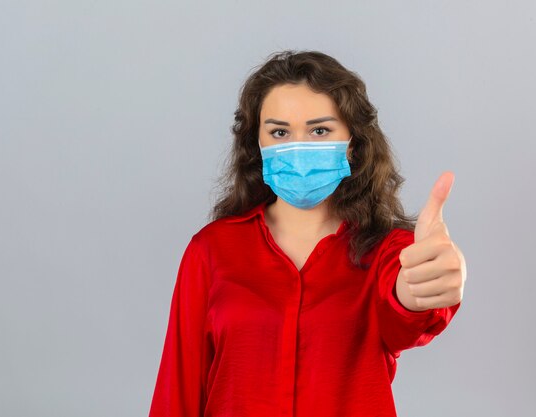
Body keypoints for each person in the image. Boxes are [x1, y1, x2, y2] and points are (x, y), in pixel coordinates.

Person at [149, 50, 466, 417]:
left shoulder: (388, 253)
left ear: (352, 142)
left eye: (320, 130)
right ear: (257, 143)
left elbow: (408, 314)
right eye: (279, 132)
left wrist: (427, 284)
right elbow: (179, 390)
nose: (298, 148)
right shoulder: (211, 250)